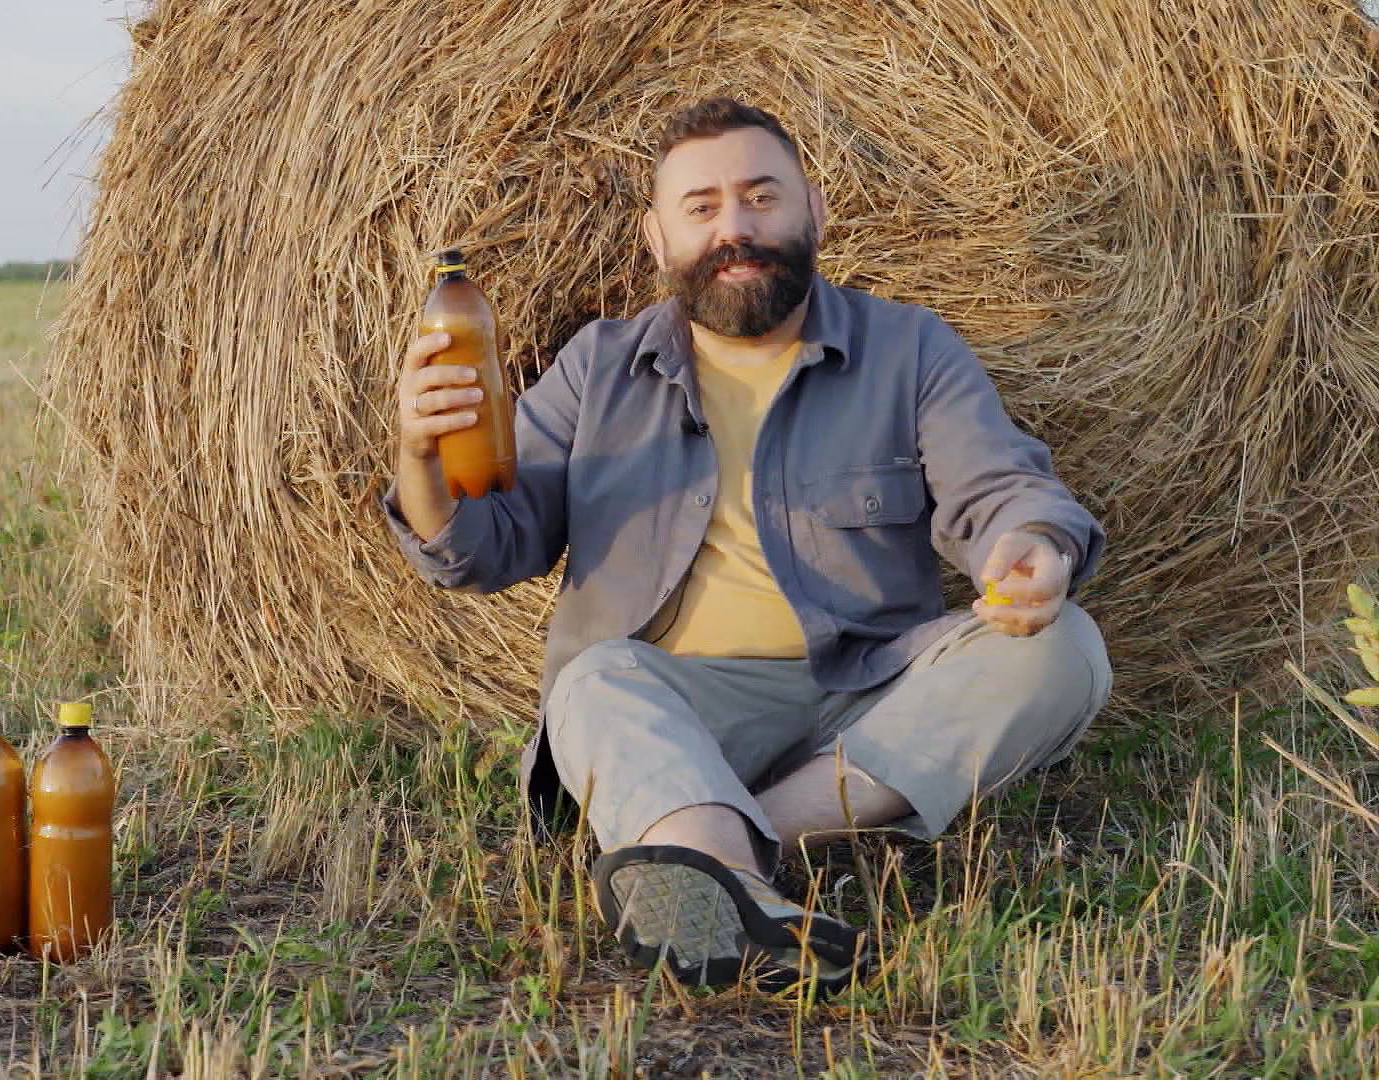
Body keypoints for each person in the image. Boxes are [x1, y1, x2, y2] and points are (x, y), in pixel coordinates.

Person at [383, 98, 1111, 994]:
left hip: (869, 698)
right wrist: (418, 454)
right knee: (595, 680)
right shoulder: (597, 367)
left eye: (762, 197)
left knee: (1065, 647)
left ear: (815, 208)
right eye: (702, 208)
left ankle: (715, 859)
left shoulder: (909, 349)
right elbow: (486, 551)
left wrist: (1030, 547)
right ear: (658, 239)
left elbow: (1000, 487)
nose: (736, 229)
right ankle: (736, 874)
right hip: (678, 706)